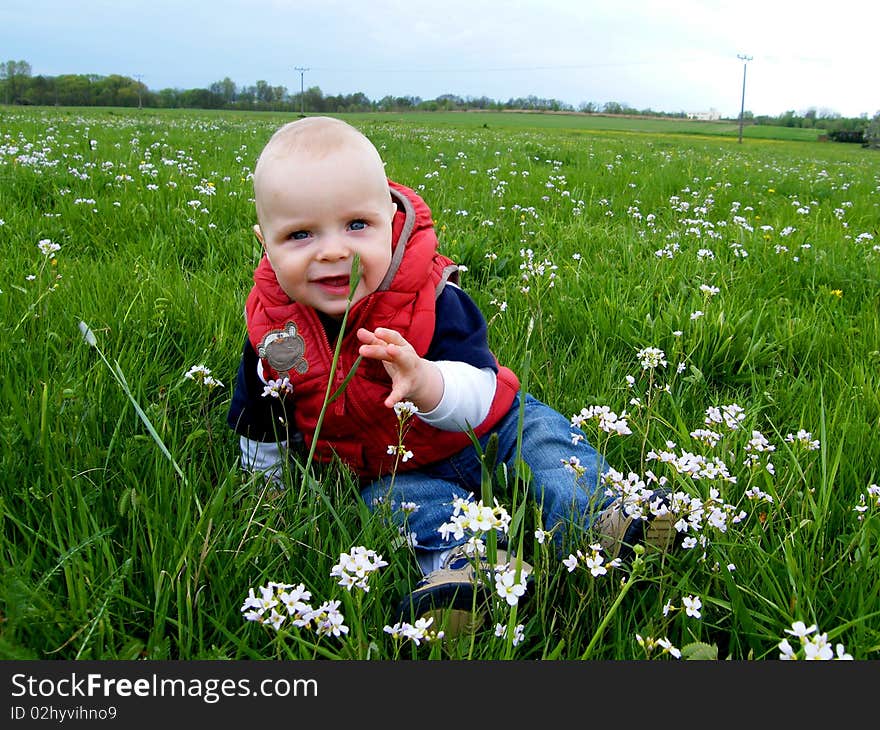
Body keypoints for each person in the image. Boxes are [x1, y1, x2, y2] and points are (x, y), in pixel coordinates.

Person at [227, 116, 676, 635]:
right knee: (392, 505)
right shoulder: (274, 333)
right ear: (266, 242)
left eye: (356, 226)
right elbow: (262, 423)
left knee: (544, 443)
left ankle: (603, 518)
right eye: (300, 234)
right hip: (393, 469)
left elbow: (483, 392)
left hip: (487, 429)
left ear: (390, 220)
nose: (333, 251)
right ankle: (472, 567)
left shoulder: (432, 296)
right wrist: (270, 495)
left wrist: (425, 381)